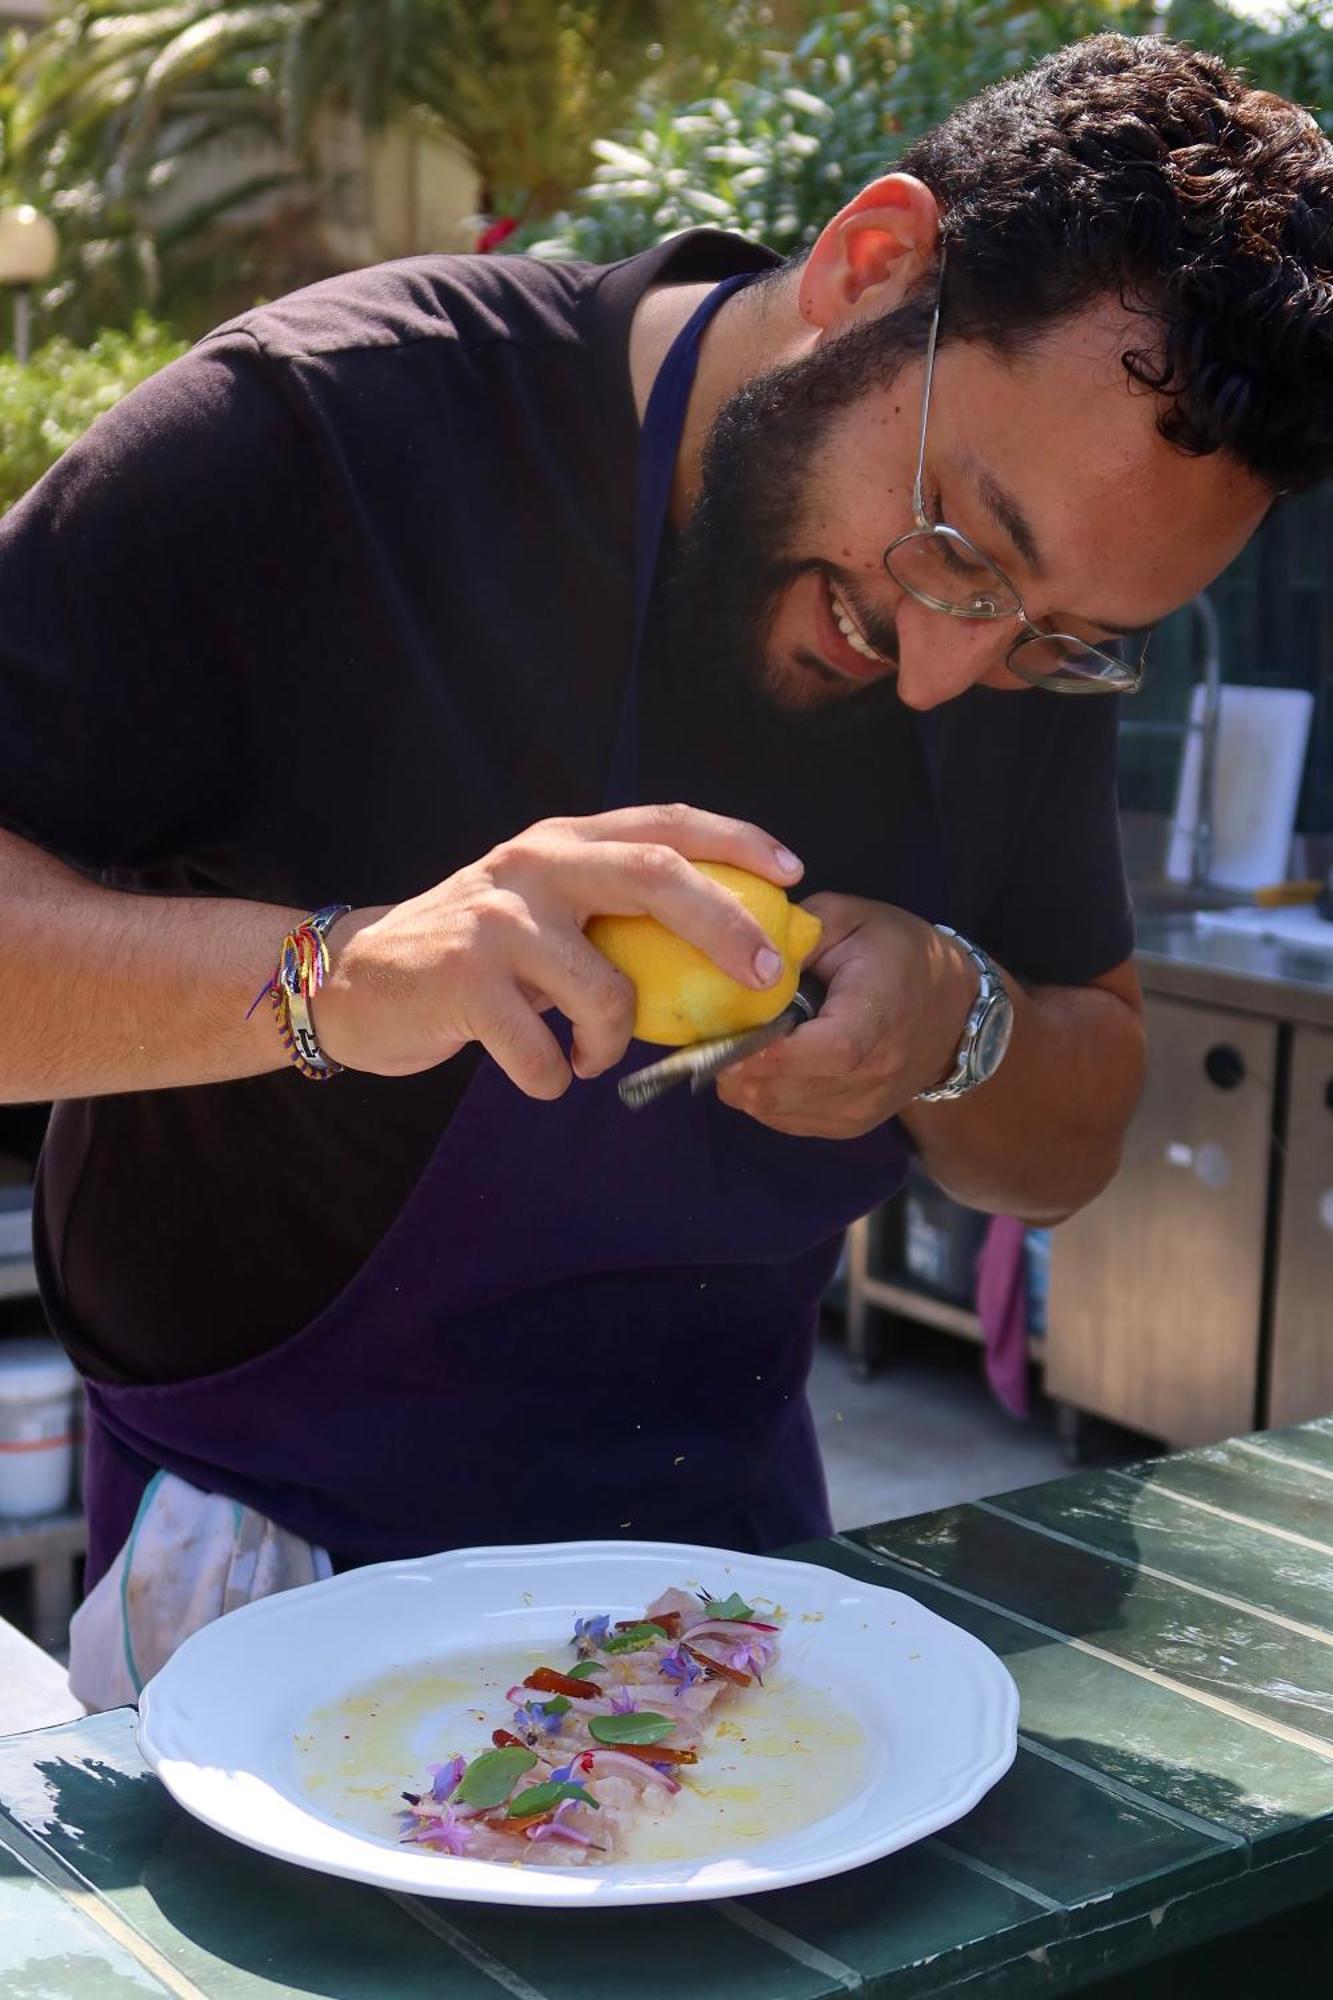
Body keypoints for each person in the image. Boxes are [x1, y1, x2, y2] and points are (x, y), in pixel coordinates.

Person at [0, 33, 1327, 1707]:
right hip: (265, 1577)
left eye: (1058, 632)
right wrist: (346, 979)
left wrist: (953, 1021)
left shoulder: (1005, 643)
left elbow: (1068, 1133)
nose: (935, 666)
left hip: (734, 1584)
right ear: (871, 265)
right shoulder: (326, 433)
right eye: (956, 545)